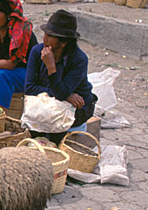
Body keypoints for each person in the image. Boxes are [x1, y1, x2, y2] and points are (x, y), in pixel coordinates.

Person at [25, 10, 97, 144]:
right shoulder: (36, 52)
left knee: (58, 138)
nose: (44, 38)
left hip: (75, 108)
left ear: (63, 43)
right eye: (45, 33)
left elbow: (62, 92)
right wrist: (67, 96)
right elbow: (29, 88)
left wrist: (51, 68)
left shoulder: (79, 59)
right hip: (48, 104)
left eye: (50, 35)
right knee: (34, 134)